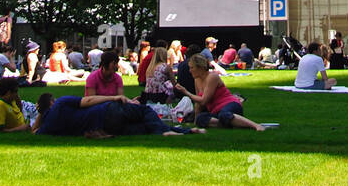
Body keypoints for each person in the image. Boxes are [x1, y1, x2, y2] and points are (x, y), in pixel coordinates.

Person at [32, 89, 190, 138]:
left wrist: (40, 113)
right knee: (145, 111)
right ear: (52, 102)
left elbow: (33, 131)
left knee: (144, 128)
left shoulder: (48, 127)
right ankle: (166, 132)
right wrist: (114, 97)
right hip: (105, 111)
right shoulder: (61, 103)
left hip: (104, 128)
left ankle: (185, 131)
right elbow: (87, 101)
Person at [176, 53, 266, 130]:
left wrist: (186, 92)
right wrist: (196, 121)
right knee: (201, 118)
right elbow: (198, 103)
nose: (190, 70)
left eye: (192, 68)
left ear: (200, 68)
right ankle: (231, 123)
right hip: (216, 112)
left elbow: (203, 100)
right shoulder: (197, 80)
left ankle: (255, 125)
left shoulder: (212, 77)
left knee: (224, 115)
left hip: (230, 105)